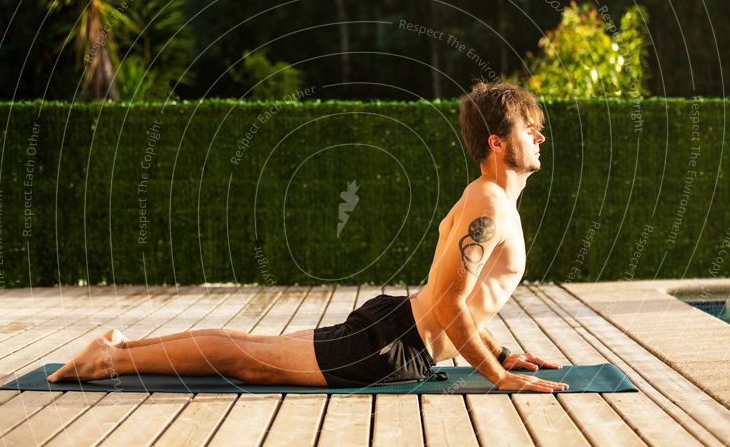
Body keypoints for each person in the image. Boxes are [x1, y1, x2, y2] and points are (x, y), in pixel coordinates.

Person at [47, 82, 569, 393]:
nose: (541, 136)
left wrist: (499, 354)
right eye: (531, 129)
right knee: (246, 361)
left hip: (398, 326)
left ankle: (121, 347)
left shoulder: (491, 199)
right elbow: (453, 300)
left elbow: (463, 299)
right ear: (498, 142)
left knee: (251, 349)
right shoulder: (489, 204)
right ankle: (110, 359)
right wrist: (497, 379)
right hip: (393, 344)